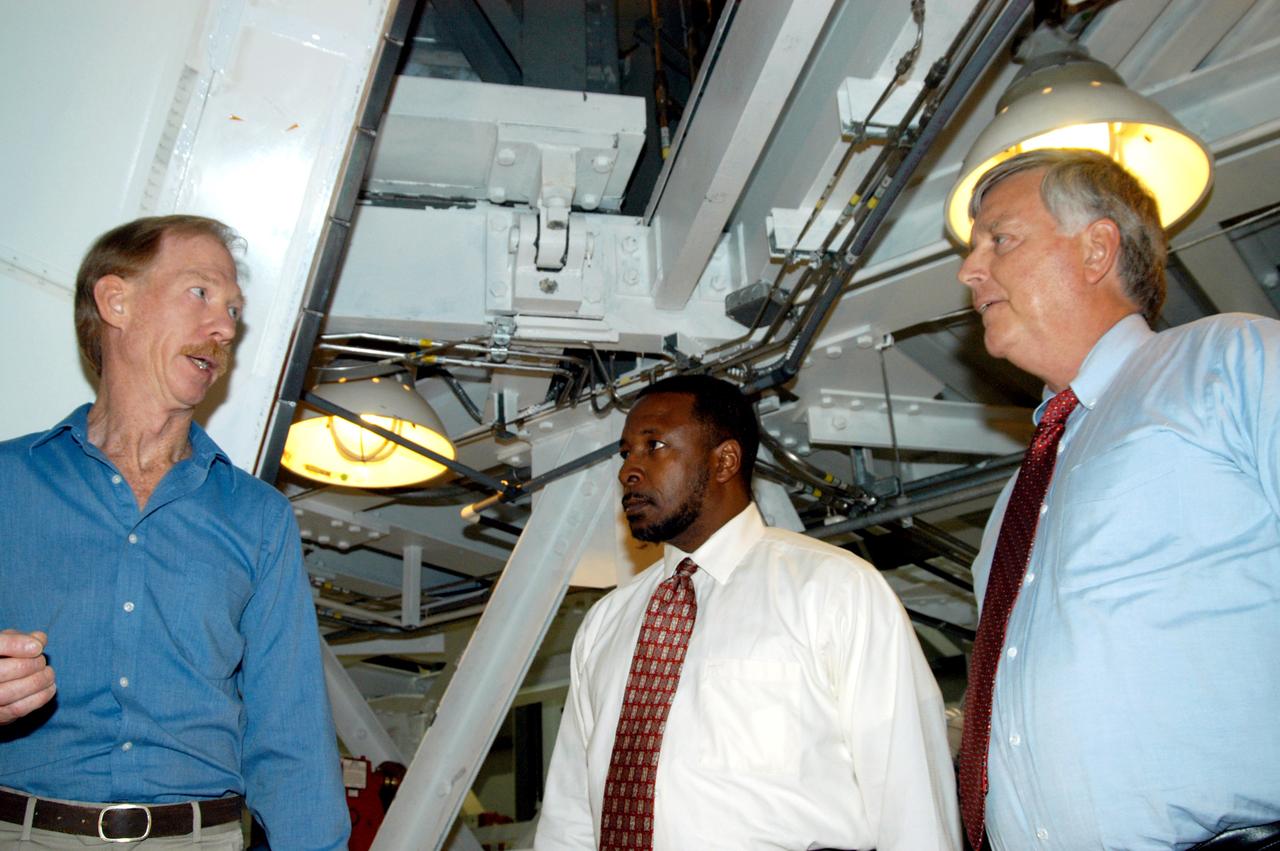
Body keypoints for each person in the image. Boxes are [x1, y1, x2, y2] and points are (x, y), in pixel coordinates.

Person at [954, 148, 1280, 850]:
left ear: (1098, 247)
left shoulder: (1231, 360)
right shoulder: (1013, 506)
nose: (969, 271)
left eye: (999, 240)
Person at [0, 216, 349, 848]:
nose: (224, 329)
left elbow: (291, 736)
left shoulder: (259, 517)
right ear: (116, 301)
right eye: (201, 294)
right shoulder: (5, 483)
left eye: (234, 312)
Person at [535, 374, 960, 851]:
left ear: (725, 461)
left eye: (654, 446)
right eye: (625, 453)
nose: (628, 470)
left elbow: (910, 794)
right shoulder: (605, 623)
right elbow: (571, 814)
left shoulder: (835, 589)